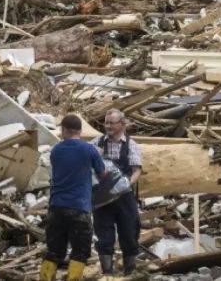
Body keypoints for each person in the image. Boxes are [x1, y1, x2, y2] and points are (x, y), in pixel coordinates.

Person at [39, 114, 106, 281]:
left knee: (54, 251)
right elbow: (102, 173)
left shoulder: (56, 150)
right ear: (80, 131)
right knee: (80, 251)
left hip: (56, 207)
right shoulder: (89, 149)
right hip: (79, 208)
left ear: (64, 130)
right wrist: (98, 155)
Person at [92, 109, 143, 275]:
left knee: (129, 232)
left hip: (124, 197)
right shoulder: (97, 143)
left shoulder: (131, 145)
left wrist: (127, 183)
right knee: (104, 234)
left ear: (122, 124)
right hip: (102, 199)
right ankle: (107, 272)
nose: (108, 126)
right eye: (106, 123)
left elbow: (136, 171)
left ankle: (130, 271)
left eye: (111, 123)